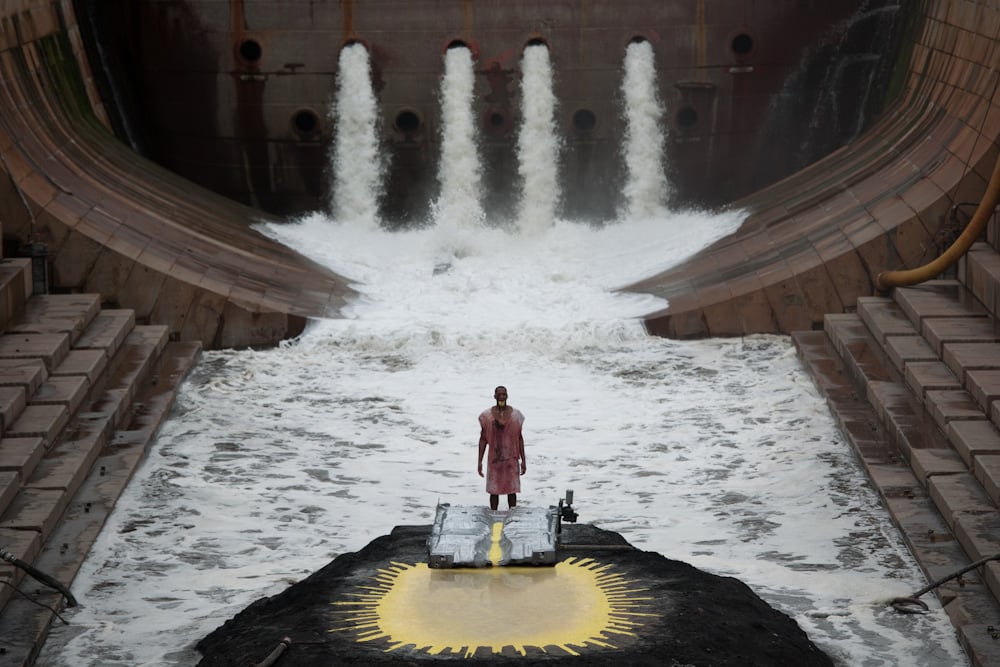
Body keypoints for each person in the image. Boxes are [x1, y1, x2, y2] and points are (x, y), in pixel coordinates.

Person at [477, 386, 526, 510]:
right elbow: (483, 439)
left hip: (511, 459)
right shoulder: (487, 416)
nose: (502, 397)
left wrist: (523, 460)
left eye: (504, 394)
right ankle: (493, 515)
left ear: (507, 396)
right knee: (494, 491)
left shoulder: (516, 415)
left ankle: (512, 516)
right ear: (495, 396)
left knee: (512, 491)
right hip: (494, 459)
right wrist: (479, 461)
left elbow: (519, 438)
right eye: (499, 394)